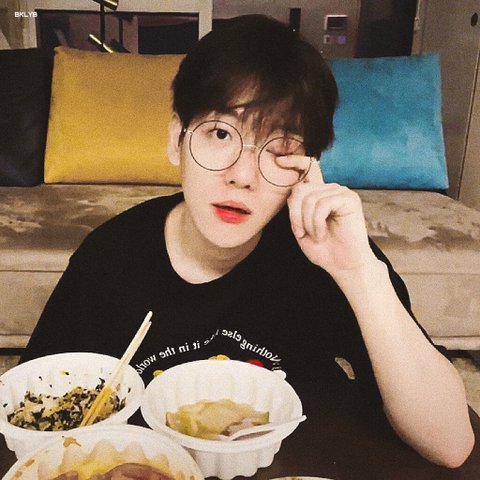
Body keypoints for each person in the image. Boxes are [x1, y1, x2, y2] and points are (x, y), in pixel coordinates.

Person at [21, 14, 473, 467]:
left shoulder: (326, 255)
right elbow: (32, 419)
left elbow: (451, 444)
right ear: (177, 140)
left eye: (281, 149)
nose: (243, 176)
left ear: (308, 167)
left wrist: (358, 273)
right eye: (220, 134)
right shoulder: (110, 258)